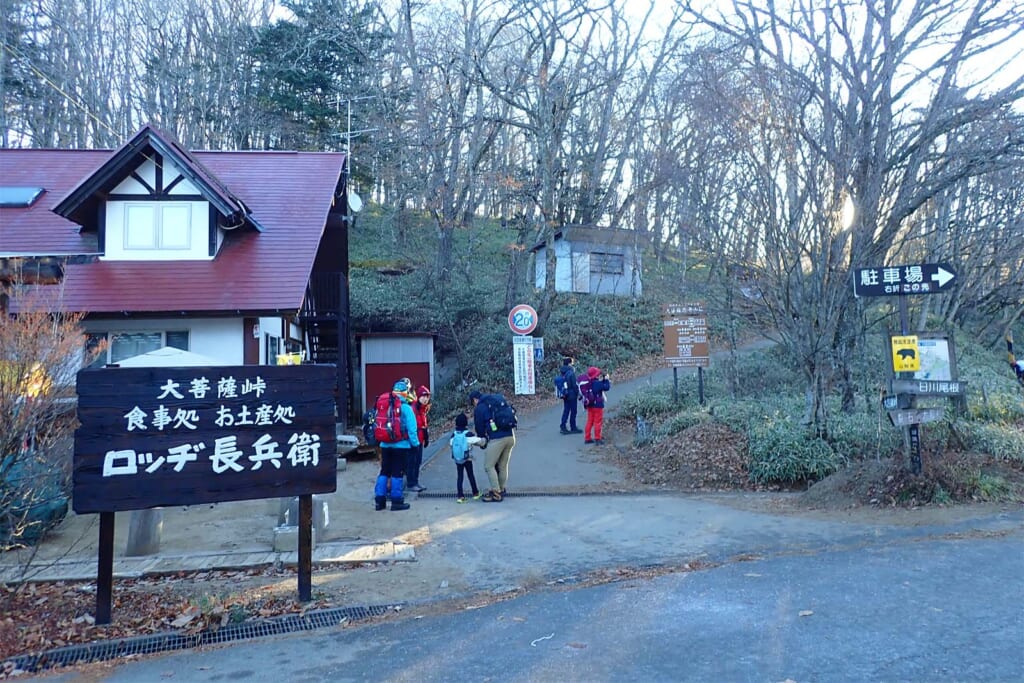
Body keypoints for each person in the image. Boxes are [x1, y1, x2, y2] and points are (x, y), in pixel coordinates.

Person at [373, 379, 420, 511]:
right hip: (401, 446)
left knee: (384, 471)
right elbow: (412, 429)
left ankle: (379, 500)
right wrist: (415, 445)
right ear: (405, 393)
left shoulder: (384, 405)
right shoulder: (406, 408)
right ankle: (396, 500)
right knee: (397, 472)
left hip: (385, 444)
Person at [469, 389, 516, 502]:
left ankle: (496, 493)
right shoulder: (496, 400)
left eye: (472, 403)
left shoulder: (480, 408)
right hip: (511, 436)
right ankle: (501, 489)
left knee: (489, 466)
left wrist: (482, 441)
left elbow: (479, 428)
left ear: (475, 400)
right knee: (502, 466)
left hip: (497, 439)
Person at [450, 413, 484, 503]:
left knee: (460, 476)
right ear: (466, 423)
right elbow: (477, 440)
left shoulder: (454, 435)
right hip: (467, 458)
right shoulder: (468, 434)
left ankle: (460, 496)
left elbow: (451, 444)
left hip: (457, 459)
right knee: (470, 474)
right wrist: (485, 440)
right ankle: (475, 493)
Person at [406, 385, 431, 492]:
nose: (425, 399)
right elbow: (413, 426)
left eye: (427, 396)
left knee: (417, 462)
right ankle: (411, 484)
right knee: (412, 462)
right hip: (413, 441)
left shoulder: (422, 409)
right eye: (423, 396)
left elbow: (423, 425)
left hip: (419, 440)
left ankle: (415, 482)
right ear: (419, 396)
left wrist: (425, 438)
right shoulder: (414, 408)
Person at [581, 366, 611, 445]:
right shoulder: (597, 383)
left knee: (589, 421)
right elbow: (606, 387)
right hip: (597, 405)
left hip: (590, 405)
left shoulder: (588, 383)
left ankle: (587, 438)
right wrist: (607, 380)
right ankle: (597, 438)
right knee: (597, 422)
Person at [558, 357, 582, 435]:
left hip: (565, 394)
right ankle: (573, 427)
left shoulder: (562, 371)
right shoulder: (571, 372)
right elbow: (574, 385)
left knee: (566, 410)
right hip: (572, 394)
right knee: (573, 411)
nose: (572, 364)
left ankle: (563, 426)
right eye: (571, 362)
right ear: (569, 363)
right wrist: (578, 394)